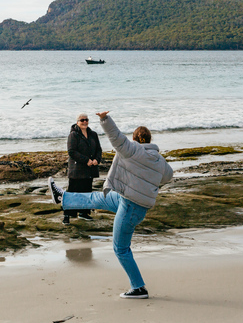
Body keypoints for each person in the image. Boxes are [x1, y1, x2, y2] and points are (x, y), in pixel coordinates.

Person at [48, 111, 173, 299]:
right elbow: (168, 177)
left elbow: (116, 137)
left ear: (135, 139)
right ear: (149, 139)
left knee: (121, 249)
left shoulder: (133, 150)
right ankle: (63, 198)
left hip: (131, 207)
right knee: (96, 198)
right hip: (126, 200)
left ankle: (139, 288)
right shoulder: (159, 160)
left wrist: (104, 119)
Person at [64, 113, 103, 224]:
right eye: (82, 120)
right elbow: (71, 151)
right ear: (77, 122)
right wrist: (86, 160)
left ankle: (84, 213)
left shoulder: (93, 134)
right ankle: (67, 216)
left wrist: (97, 159)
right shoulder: (73, 135)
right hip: (77, 169)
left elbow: (99, 149)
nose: (85, 122)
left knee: (87, 191)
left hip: (90, 169)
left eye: (86, 120)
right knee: (73, 192)